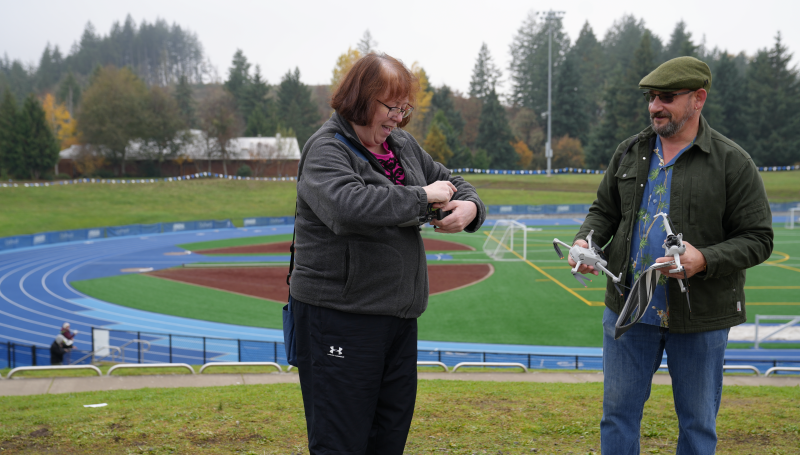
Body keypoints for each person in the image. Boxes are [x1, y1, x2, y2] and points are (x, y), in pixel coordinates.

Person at [570, 56, 773, 454]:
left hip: (702, 317)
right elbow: (603, 212)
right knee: (617, 416)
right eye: (650, 97)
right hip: (629, 310)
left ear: (698, 99)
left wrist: (705, 259)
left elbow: (758, 238)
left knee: (698, 426)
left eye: (666, 97)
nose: (654, 106)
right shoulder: (628, 152)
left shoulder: (733, 162)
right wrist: (584, 242)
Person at [289, 52, 485, 454]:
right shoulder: (326, 149)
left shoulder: (402, 146)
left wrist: (471, 207)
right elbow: (348, 208)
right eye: (391, 107)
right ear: (361, 99)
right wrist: (421, 198)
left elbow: (451, 181)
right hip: (340, 319)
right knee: (341, 441)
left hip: (397, 319)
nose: (399, 117)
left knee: (388, 437)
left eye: (404, 108)